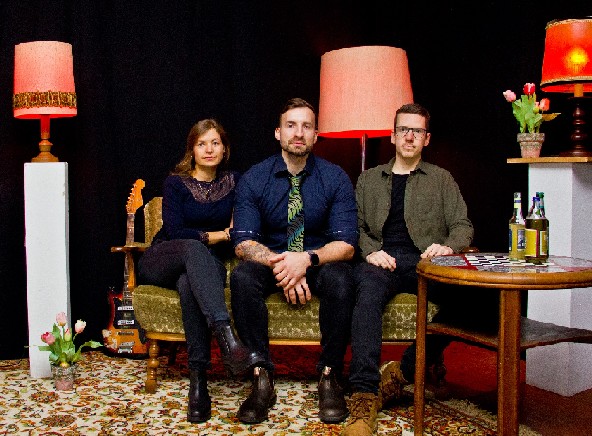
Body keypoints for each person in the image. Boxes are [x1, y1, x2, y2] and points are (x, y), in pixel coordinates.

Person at [343, 103, 474, 435]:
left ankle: (402, 372)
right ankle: (363, 396)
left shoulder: (442, 179)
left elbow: (463, 226)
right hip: (381, 261)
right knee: (367, 293)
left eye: (417, 131)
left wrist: (447, 247)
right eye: (404, 130)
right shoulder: (368, 179)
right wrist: (371, 252)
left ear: (426, 139)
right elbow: (354, 227)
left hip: (425, 263)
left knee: (471, 297)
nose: (410, 136)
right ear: (393, 136)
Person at [229, 98, 359, 424]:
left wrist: (306, 259)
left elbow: (346, 245)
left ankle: (329, 376)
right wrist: (286, 264)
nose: (298, 133)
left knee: (343, 278)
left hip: (317, 261)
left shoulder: (335, 178)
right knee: (242, 277)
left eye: (306, 126)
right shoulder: (255, 178)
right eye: (291, 125)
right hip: (272, 261)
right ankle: (261, 376)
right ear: (278, 132)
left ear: (316, 135)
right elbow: (243, 243)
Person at [137, 119, 264, 423]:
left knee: (188, 284)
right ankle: (228, 340)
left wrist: (236, 229)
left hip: (206, 266)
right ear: (192, 150)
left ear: (225, 149)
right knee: (193, 249)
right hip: (164, 257)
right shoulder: (175, 183)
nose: (209, 149)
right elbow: (175, 231)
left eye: (215, 143)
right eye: (201, 143)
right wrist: (219, 235)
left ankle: (198, 382)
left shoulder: (235, 182)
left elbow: (244, 220)